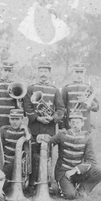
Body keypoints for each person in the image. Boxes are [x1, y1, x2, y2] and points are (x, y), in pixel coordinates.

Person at [38, 111, 101, 199]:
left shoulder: (87, 138)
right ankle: (66, 186)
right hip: (63, 172)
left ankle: (82, 189)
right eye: (73, 122)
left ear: (82, 123)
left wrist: (75, 170)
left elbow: (91, 161)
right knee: (70, 195)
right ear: (69, 123)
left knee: (100, 172)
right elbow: (49, 142)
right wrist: (42, 138)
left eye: (77, 122)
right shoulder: (62, 135)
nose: (75, 125)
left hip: (77, 172)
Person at [23, 60, 64, 188]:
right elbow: (27, 107)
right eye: (41, 71)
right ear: (37, 72)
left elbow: (61, 108)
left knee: (48, 156)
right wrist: (37, 118)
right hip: (35, 128)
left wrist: (52, 118)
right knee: (33, 156)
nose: (43, 74)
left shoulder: (55, 90)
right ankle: (32, 183)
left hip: (49, 129)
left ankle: (46, 183)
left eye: (45, 71)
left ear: (50, 73)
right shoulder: (31, 88)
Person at [61, 63, 100, 133]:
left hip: (85, 126)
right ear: (72, 73)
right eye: (76, 72)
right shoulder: (66, 88)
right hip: (70, 125)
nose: (79, 75)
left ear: (84, 73)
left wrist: (87, 101)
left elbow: (96, 108)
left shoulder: (89, 88)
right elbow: (62, 109)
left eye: (81, 72)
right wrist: (62, 126)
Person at [0, 109, 31, 192]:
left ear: (22, 120)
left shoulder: (25, 130)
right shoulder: (4, 130)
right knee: (2, 186)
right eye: (12, 119)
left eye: (17, 119)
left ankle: (29, 187)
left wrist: (26, 131)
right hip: (6, 163)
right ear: (9, 119)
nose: (14, 122)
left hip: (20, 163)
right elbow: (0, 149)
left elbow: (29, 144)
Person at [0, 61, 18, 127]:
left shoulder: (16, 85)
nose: (7, 73)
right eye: (5, 70)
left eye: (9, 71)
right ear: (1, 71)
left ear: (12, 72)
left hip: (12, 119)